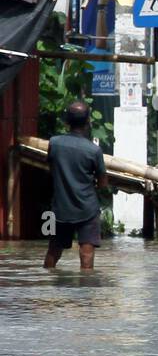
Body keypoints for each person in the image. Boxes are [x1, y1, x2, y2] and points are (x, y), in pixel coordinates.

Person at [43, 101, 107, 271]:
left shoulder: (54, 143)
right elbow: (102, 184)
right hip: (87, 209)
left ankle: (44, 288)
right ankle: (84, 295)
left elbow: (51, 169)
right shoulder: (94, 151)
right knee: (86, 254)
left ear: (67, 121)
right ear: (88, 123)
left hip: (59, 209)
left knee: (53, 251)